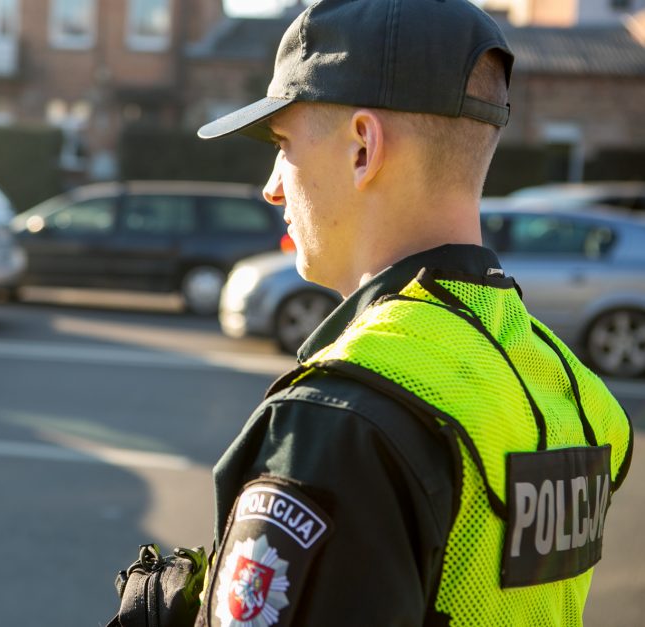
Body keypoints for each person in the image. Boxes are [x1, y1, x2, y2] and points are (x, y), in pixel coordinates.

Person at [190, 1, 634, 625]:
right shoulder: (573, 390)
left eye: (283, 143)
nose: (272, 185)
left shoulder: (343, 417)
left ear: (362, 149)